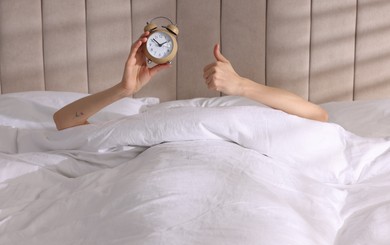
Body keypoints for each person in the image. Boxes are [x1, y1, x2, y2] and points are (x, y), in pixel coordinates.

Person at [53, 32, 328, 130]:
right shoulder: (148, 126)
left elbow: (318, 116)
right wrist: (124, 89)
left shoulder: (243, 120)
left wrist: (240, 85)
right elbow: (65, 121)